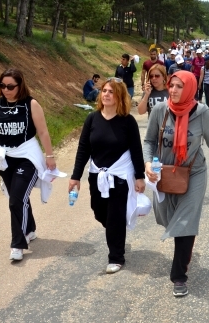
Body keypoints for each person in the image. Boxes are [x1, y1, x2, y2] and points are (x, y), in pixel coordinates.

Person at [143, 71, 209, 297]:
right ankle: (185, 252)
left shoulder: (201, 112)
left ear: (190, 88)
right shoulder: (159, 110)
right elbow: (149, 140)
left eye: (178, 86)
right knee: (169, 218)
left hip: (194, 173)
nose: (172, 90)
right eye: (171, 85)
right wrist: (146, 164)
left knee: (186, 219)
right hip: (165, 173)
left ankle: (179, 276)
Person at [0, 69, 58, 262]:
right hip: (5, 157)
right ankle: (29, 229)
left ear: (20, 86)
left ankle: (17, 244)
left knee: (16, 199)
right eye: (2, 86)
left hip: (27, 156)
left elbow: (43, 132)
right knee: (17, 197)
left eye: (10, 86)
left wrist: (49, 155)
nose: (6, 90)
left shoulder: (31, 104)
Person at [70, 78, 146, 273]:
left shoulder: (128, 122)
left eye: (111, 91)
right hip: (97, 176)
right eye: (104, 90)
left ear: (119, 96)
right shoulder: (92, 119)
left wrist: (140, 177)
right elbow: (83, 149)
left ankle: (116, 257)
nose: (106, 94)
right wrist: (75, 176)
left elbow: (136, 151)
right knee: (99, 211)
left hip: (120, 177)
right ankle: (116, 232)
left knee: (115, 217)